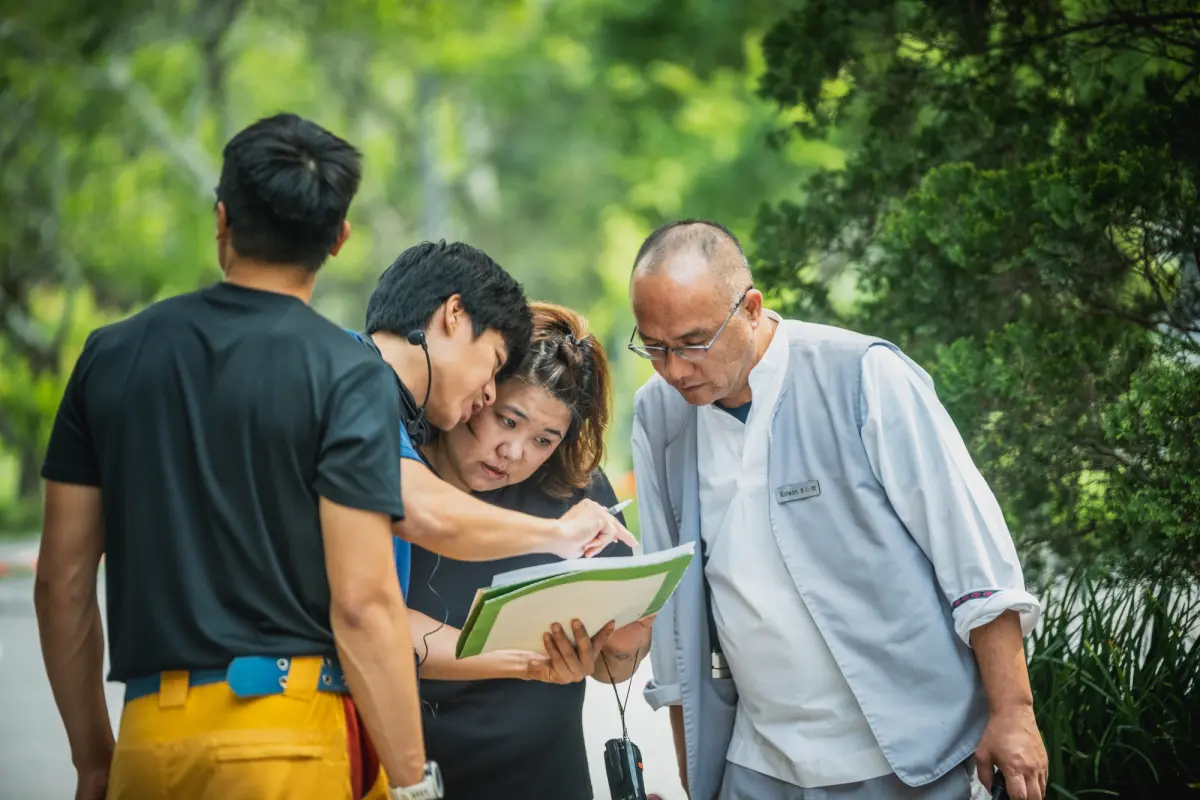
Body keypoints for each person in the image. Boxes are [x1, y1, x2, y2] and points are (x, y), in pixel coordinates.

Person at [34, 113, 436, 800]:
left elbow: (62, 583)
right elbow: (365, 602)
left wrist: (93, 759)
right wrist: (412, 783)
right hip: (290, 743)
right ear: (338, 239)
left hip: (149, 743)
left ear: (221, 220)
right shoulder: (345, 371)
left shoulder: (111, 356)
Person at [628, 220, 1051, 800]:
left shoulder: (863, 375)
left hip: (911, 756)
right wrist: (695, 777)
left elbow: (972, 558)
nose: (674, 368)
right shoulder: (659, 414)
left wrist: (1014, 712)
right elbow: (674, 614)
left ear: (751, 308)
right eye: (654, 346)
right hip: (758, 765)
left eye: (693, 342)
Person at [394, 301, 654, 799]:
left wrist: (630, 640)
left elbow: (609, 668)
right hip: (411, 775)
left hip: (544, 779)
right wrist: (524, 658)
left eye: (544, 439)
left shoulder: (574, 491)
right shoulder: (400, 473)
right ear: (478, 392)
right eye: (507, 421)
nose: (514, 454)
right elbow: (372, 622)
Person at [347, 242, 636, 604]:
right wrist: (558, 533)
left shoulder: (375, 396)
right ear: (454, 314)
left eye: (545, 440)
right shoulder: (350, 382)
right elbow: (423, 511)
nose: (486, 392)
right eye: (495, 362)